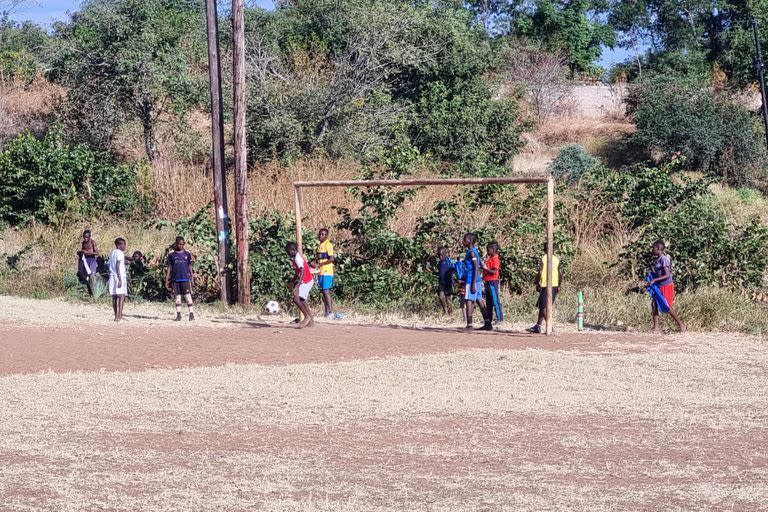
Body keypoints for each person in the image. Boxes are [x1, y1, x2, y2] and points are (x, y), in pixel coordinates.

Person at [645, 240, 686, 333]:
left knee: (667, 306)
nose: (652, 249)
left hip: (666, 285)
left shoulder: (664, 259)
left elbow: (667, 275)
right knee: (654, 304)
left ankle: (681, 325)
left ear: (658, 249)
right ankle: (656, 328)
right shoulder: (657, 259)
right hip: (659, 285)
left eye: (653, 248)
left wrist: (654, 280)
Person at [527, 243, 563, 334]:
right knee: (543, 305)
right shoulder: (556, 259)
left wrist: (536, 282)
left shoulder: (542, 259)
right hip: (554, 285)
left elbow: (539, 272)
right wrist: (559, 285)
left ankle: (550, 326)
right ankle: (538, 326)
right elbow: (561, 273)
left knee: (543, 307)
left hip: (545, 284)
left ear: (544, 249)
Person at [462, 233, 492, 331]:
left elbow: (476, 267)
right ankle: (487, 323)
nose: (463, 241)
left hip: (471, 280)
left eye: (465, 239)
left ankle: (469, 324)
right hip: (476, 279)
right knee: (479, 299)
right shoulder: (473, 251)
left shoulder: (471, 252)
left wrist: (473, 284)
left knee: (469, 300)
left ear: (470, 241)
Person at [166, 236, 195, 321]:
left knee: (188, 296)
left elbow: (190, 266)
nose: (180, 246)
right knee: (177, 297)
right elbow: (169, 267)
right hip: (175, 279)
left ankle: (191, 314)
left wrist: (192, 277)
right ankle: (178, 315)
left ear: (184, 244)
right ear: (176, 244)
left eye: (182, 244)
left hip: (185, 279)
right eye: (179, 244)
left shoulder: (187, 254)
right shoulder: (171, 255)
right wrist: (167, 279)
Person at [287, 242, 315, 328]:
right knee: (301, 300)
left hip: (307, 281)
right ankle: (311, 321)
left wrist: (298, 285)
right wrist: (292, 282)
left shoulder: (297, 259)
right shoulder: (295, 258)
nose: (288, 253)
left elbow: (302, 270)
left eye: (288, 251)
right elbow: (297, 273)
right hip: (306, 281)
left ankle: (307, 317)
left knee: (296, 298)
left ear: (292, 250)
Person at [313, 228, 336, 319]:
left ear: (327, 236)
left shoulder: (328, 245)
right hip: (321, 271)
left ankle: (330, 312)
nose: (320, 236)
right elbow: (320, 258)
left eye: (323, 234)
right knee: (323, 291)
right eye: (320, 234)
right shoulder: (320, 245)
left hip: (327, 271)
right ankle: (326, 312)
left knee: (326, 291)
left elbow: (331, 259)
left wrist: (319, 264)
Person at [483, 241, 503, 325]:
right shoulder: (490, 258)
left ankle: (499, 319)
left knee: (495, 300)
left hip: (492, 282)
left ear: (493, 250)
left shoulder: (495, 259)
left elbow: (494, 271)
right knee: (489, 301)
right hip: (488, 281)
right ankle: (489, 319)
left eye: (488, 249)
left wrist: (485, 269)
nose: (487, 251)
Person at [108, 238, 128, 322]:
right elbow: (117, 265)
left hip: (112, 276)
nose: (124, 246)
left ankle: (116, 314)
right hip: (119, 276)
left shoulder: (113, 252)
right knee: (122, 295)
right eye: (123, 244)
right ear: (118, 245)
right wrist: (120, 279)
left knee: (114, 296)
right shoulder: (120, 253)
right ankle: (119, 315)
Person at [77, 229, 99, 296]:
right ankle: (90, 293)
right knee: (86, 276)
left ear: (90, 237)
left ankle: (95, 293)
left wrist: (88, 253)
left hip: (91, 260)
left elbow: (97, 253)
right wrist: (80, 252)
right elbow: (83, 250)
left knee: (92, 276)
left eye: (87, 237)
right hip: (85, 260)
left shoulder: (93, 242)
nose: (85, 239)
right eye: (84, 237)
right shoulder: (83, 243)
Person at [437, 246, 455, 315]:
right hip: (441, 282)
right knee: (441, 297)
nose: (440, 256)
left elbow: (454, 269)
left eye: (441, 255)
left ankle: (450, 313)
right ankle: (445, 311)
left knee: (448, 299)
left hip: (448, 282)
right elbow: (440, 272)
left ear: (445, 254)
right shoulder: (439, 263)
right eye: (439, 255)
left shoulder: (449, 261)